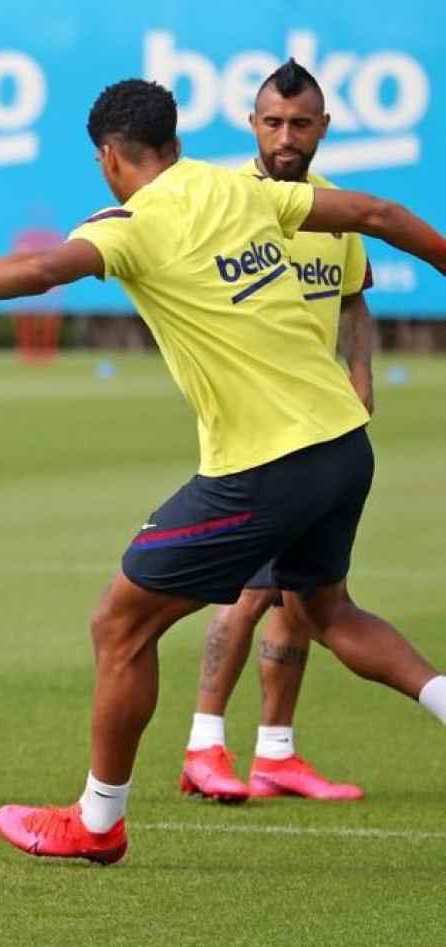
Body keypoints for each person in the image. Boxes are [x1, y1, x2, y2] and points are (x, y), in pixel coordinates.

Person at [0, 79, 446, 864]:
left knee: (120, 623)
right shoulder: (240, 189)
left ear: (110, 158)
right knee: (328, 613)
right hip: (343, 443)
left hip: (268, 463)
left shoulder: (132, 223)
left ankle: (98, 820)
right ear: (176, 141)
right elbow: (380, 216)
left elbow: (44, 270)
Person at [182, 59, 375, 805]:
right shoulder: (228, 202)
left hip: (322, 431)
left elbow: (353, 300)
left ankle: (275, 753)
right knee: (253, 589)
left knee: (304, 593)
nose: (286, 137)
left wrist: (359, 375)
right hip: (256, 436)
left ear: (323, 128)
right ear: (252, 125)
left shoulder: (336, 209)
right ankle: (204, 744)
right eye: (273, 122)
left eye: (301, 124)